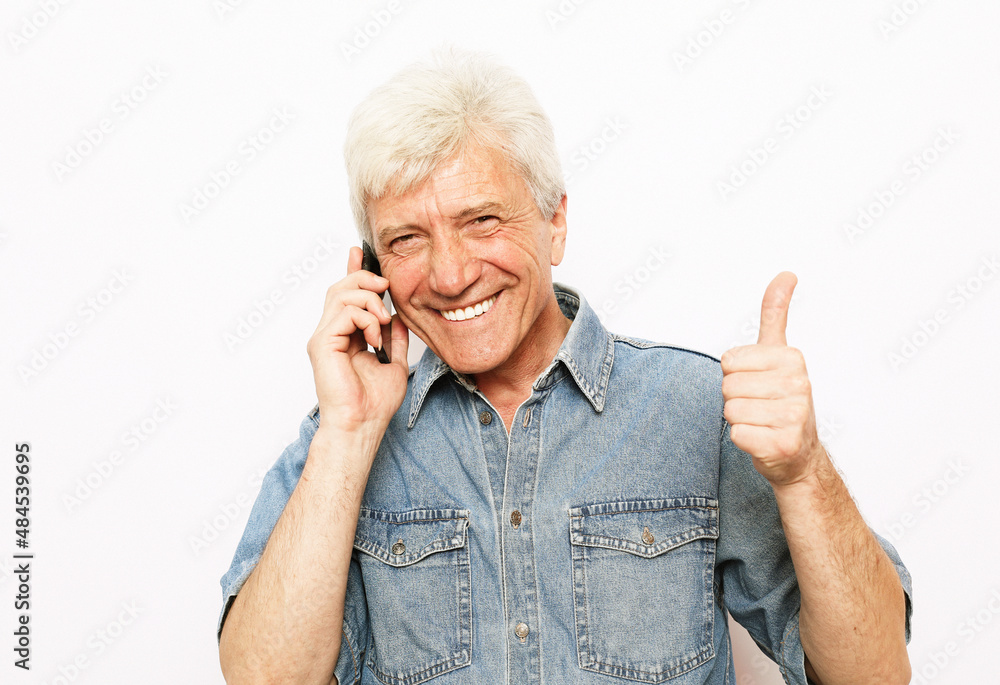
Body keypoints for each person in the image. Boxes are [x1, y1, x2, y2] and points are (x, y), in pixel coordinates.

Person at [217, 48, 912, 685]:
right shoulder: (344, 434)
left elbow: (874, 674)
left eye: (481, 220)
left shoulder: (698, 409)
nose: (451, 275)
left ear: (555, 223)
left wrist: (804, 472)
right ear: (372, 268)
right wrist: (348, 432)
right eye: (406, 239)